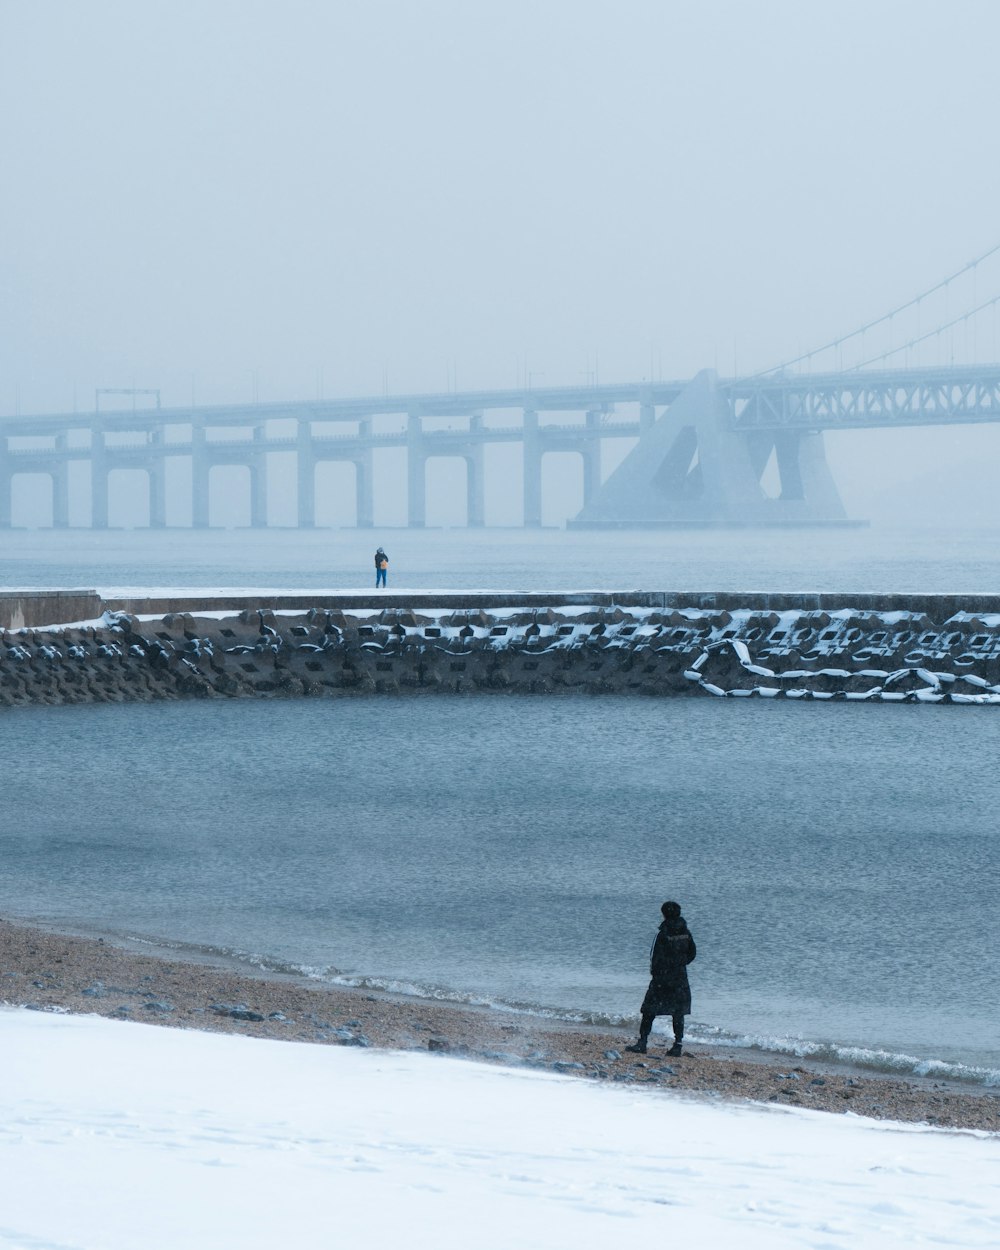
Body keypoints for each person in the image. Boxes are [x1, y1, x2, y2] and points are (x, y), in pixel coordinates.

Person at [625, 900, 696, 1057]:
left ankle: (643, 1042)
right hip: (680, 978)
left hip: (662, 979)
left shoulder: (663, 933)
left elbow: (655, 957)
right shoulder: (686, 933)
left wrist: (656, 974)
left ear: (664, 914)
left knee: (649, 1010)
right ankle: (677, 1045)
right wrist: (681, 964)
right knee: (679, 1012)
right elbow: (692, 954)